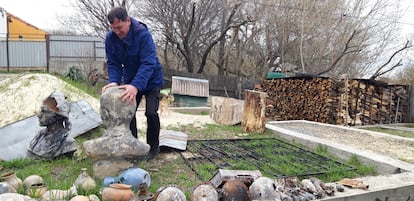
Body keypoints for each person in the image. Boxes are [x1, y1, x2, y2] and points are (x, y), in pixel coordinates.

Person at [102, 7, 164, 160]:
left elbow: (148, 63)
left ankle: (152, 148)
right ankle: (133, 145)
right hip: (130, 79)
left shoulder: (143, 35)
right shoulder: (110, 39)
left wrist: (136, 86)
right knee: (128, 113)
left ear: (128, 21)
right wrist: (114, 81)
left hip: (151, 79)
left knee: (151, 113)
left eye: (120, 27)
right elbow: (113, 63)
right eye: (113, 28)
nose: (117, 32)